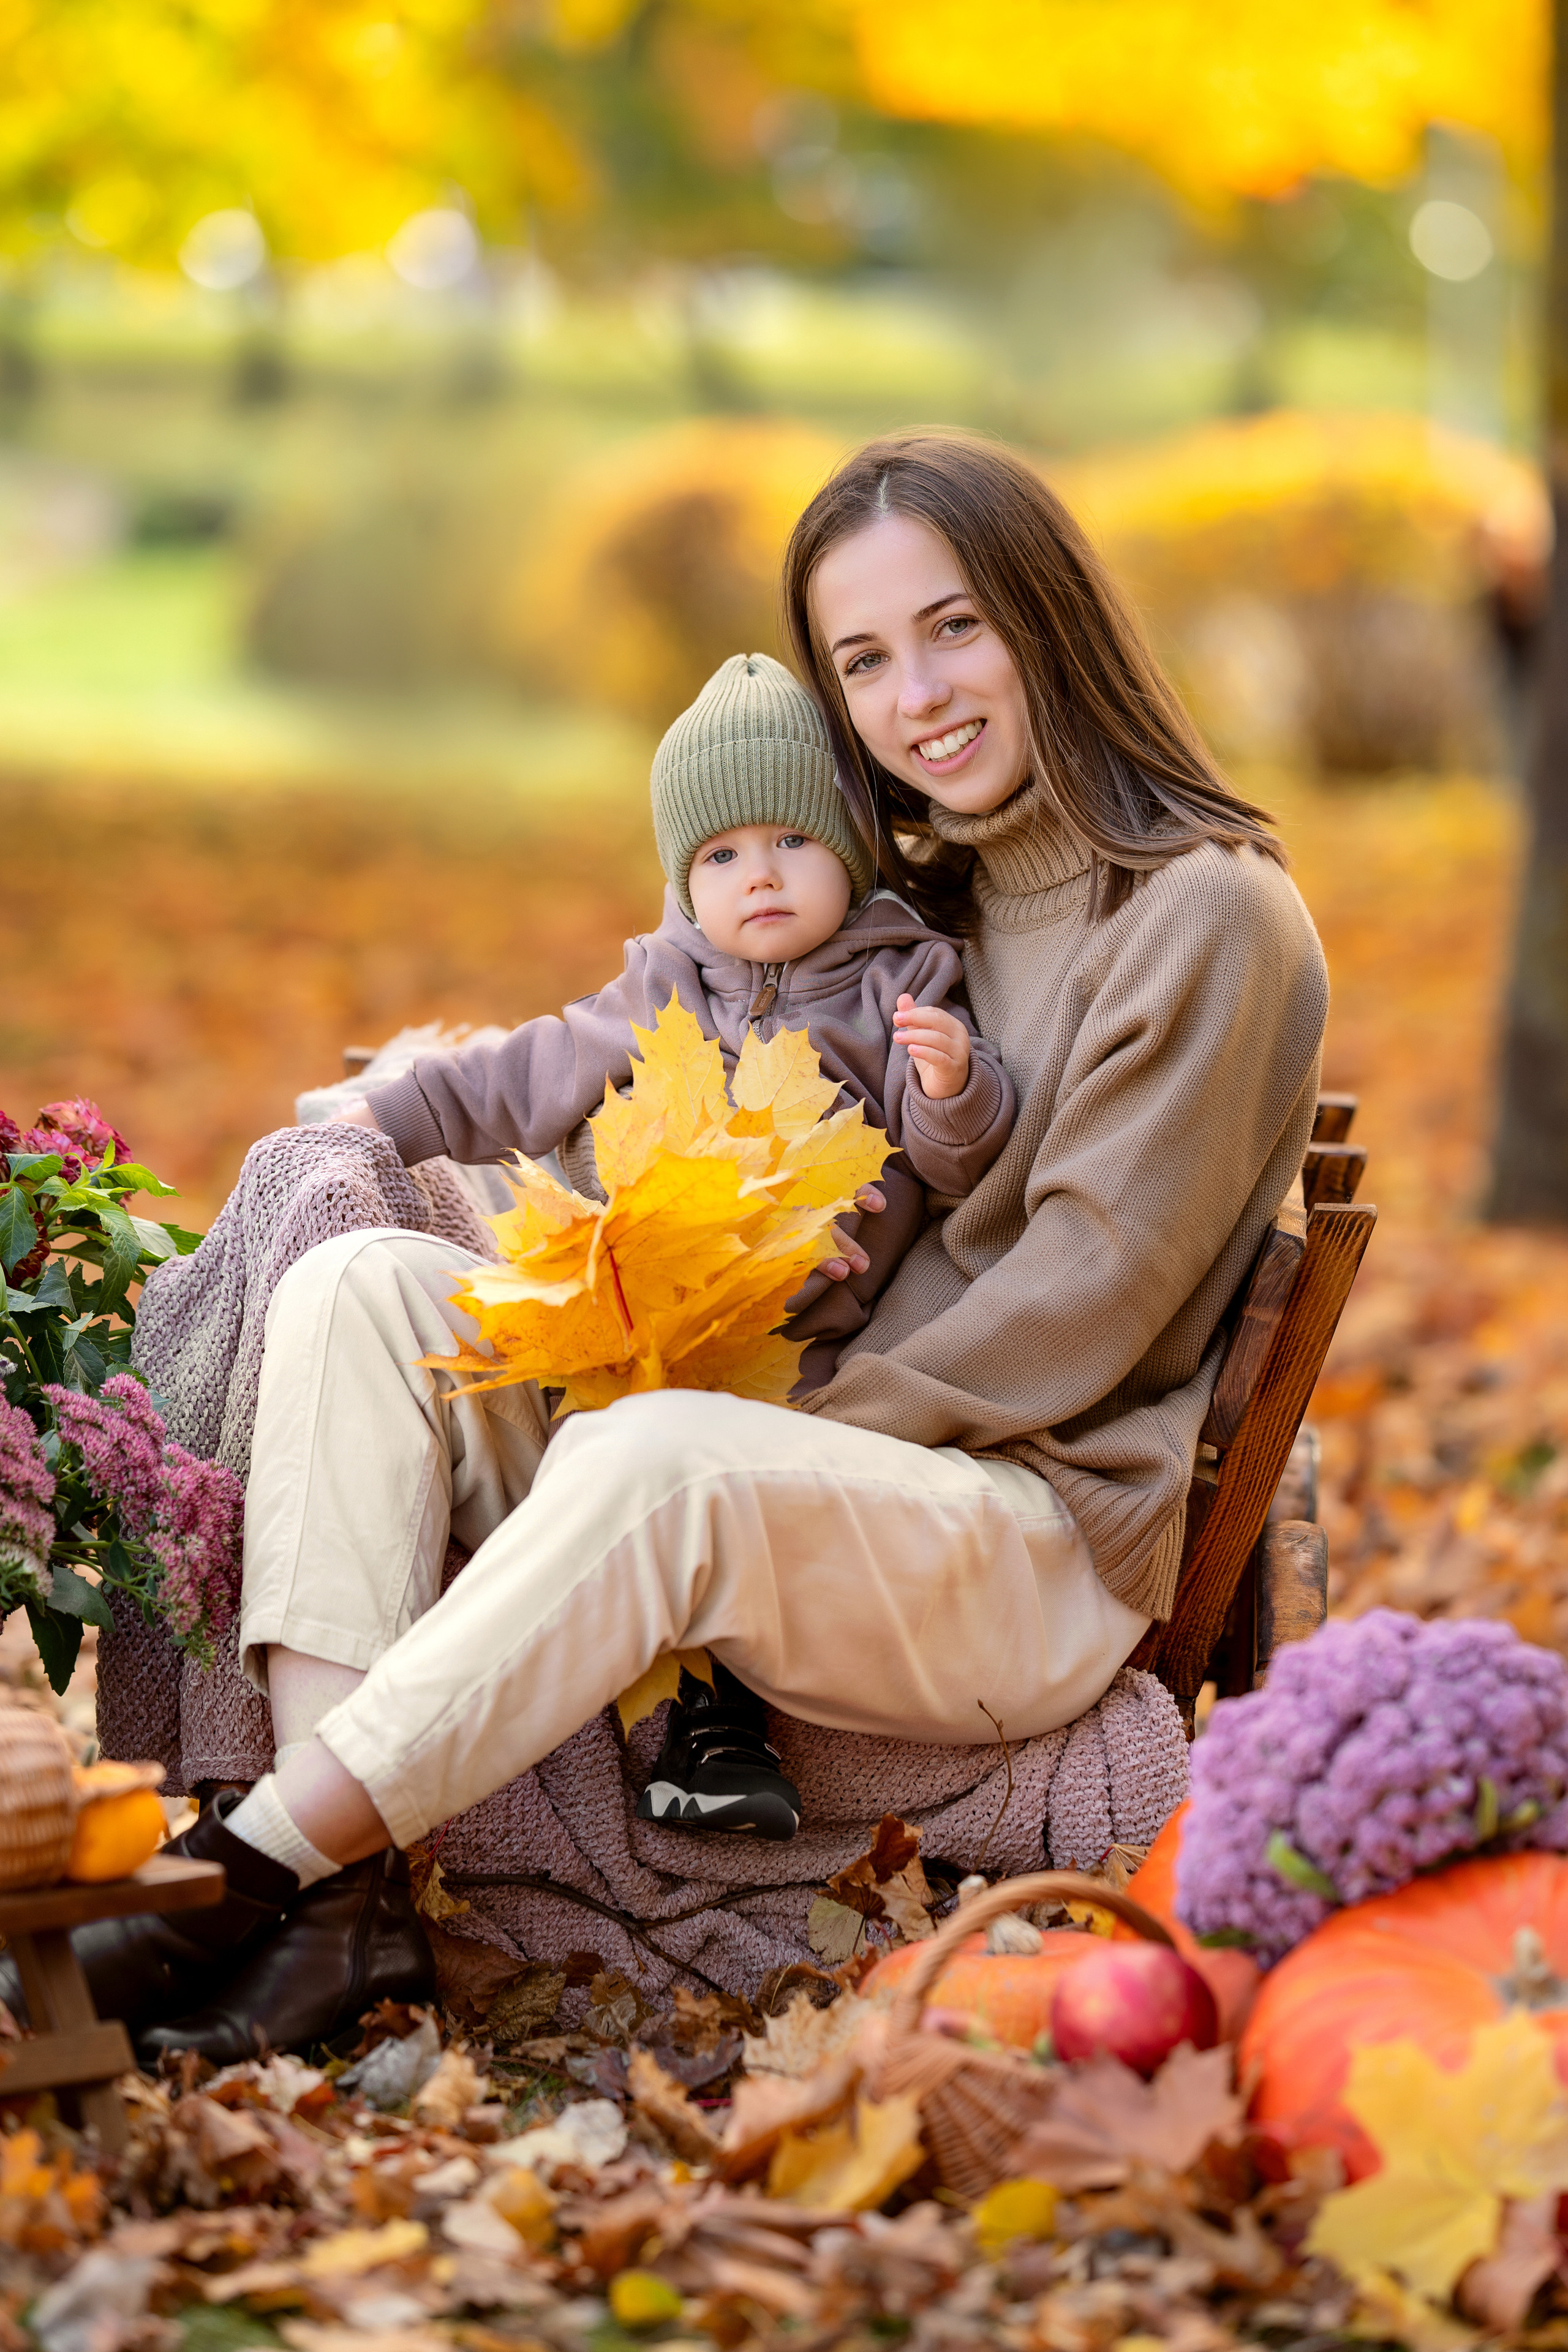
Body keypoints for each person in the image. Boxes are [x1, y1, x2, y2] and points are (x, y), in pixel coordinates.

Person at [30, 431, 1329, 2067]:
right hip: (802, 1471)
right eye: (863, 658)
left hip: (1026, 1535)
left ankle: (237, 1876)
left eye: (955, 627)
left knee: (656, 1455)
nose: (915, 692)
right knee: (364, 1290)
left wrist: (733, 1422)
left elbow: (1081, 1306)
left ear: (1048, 615)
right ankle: (347, 1921)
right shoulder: (923, 902)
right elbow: (682, 1072)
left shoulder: (1211, 916)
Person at [337, 646, 1018, 1842]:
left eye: (791, 843)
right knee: (599, 1451)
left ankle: (719, 1736)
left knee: (725, 1495)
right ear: (682, 877)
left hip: (809, 1349)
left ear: (849, 853)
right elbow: (516, 1081)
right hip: (644, 1320)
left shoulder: (899, 983)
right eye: (720, 855)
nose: (758, 876)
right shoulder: (656, 989)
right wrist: (377, 1119)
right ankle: (547, 1684)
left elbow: (954, 1168)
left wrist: (953, 1087)